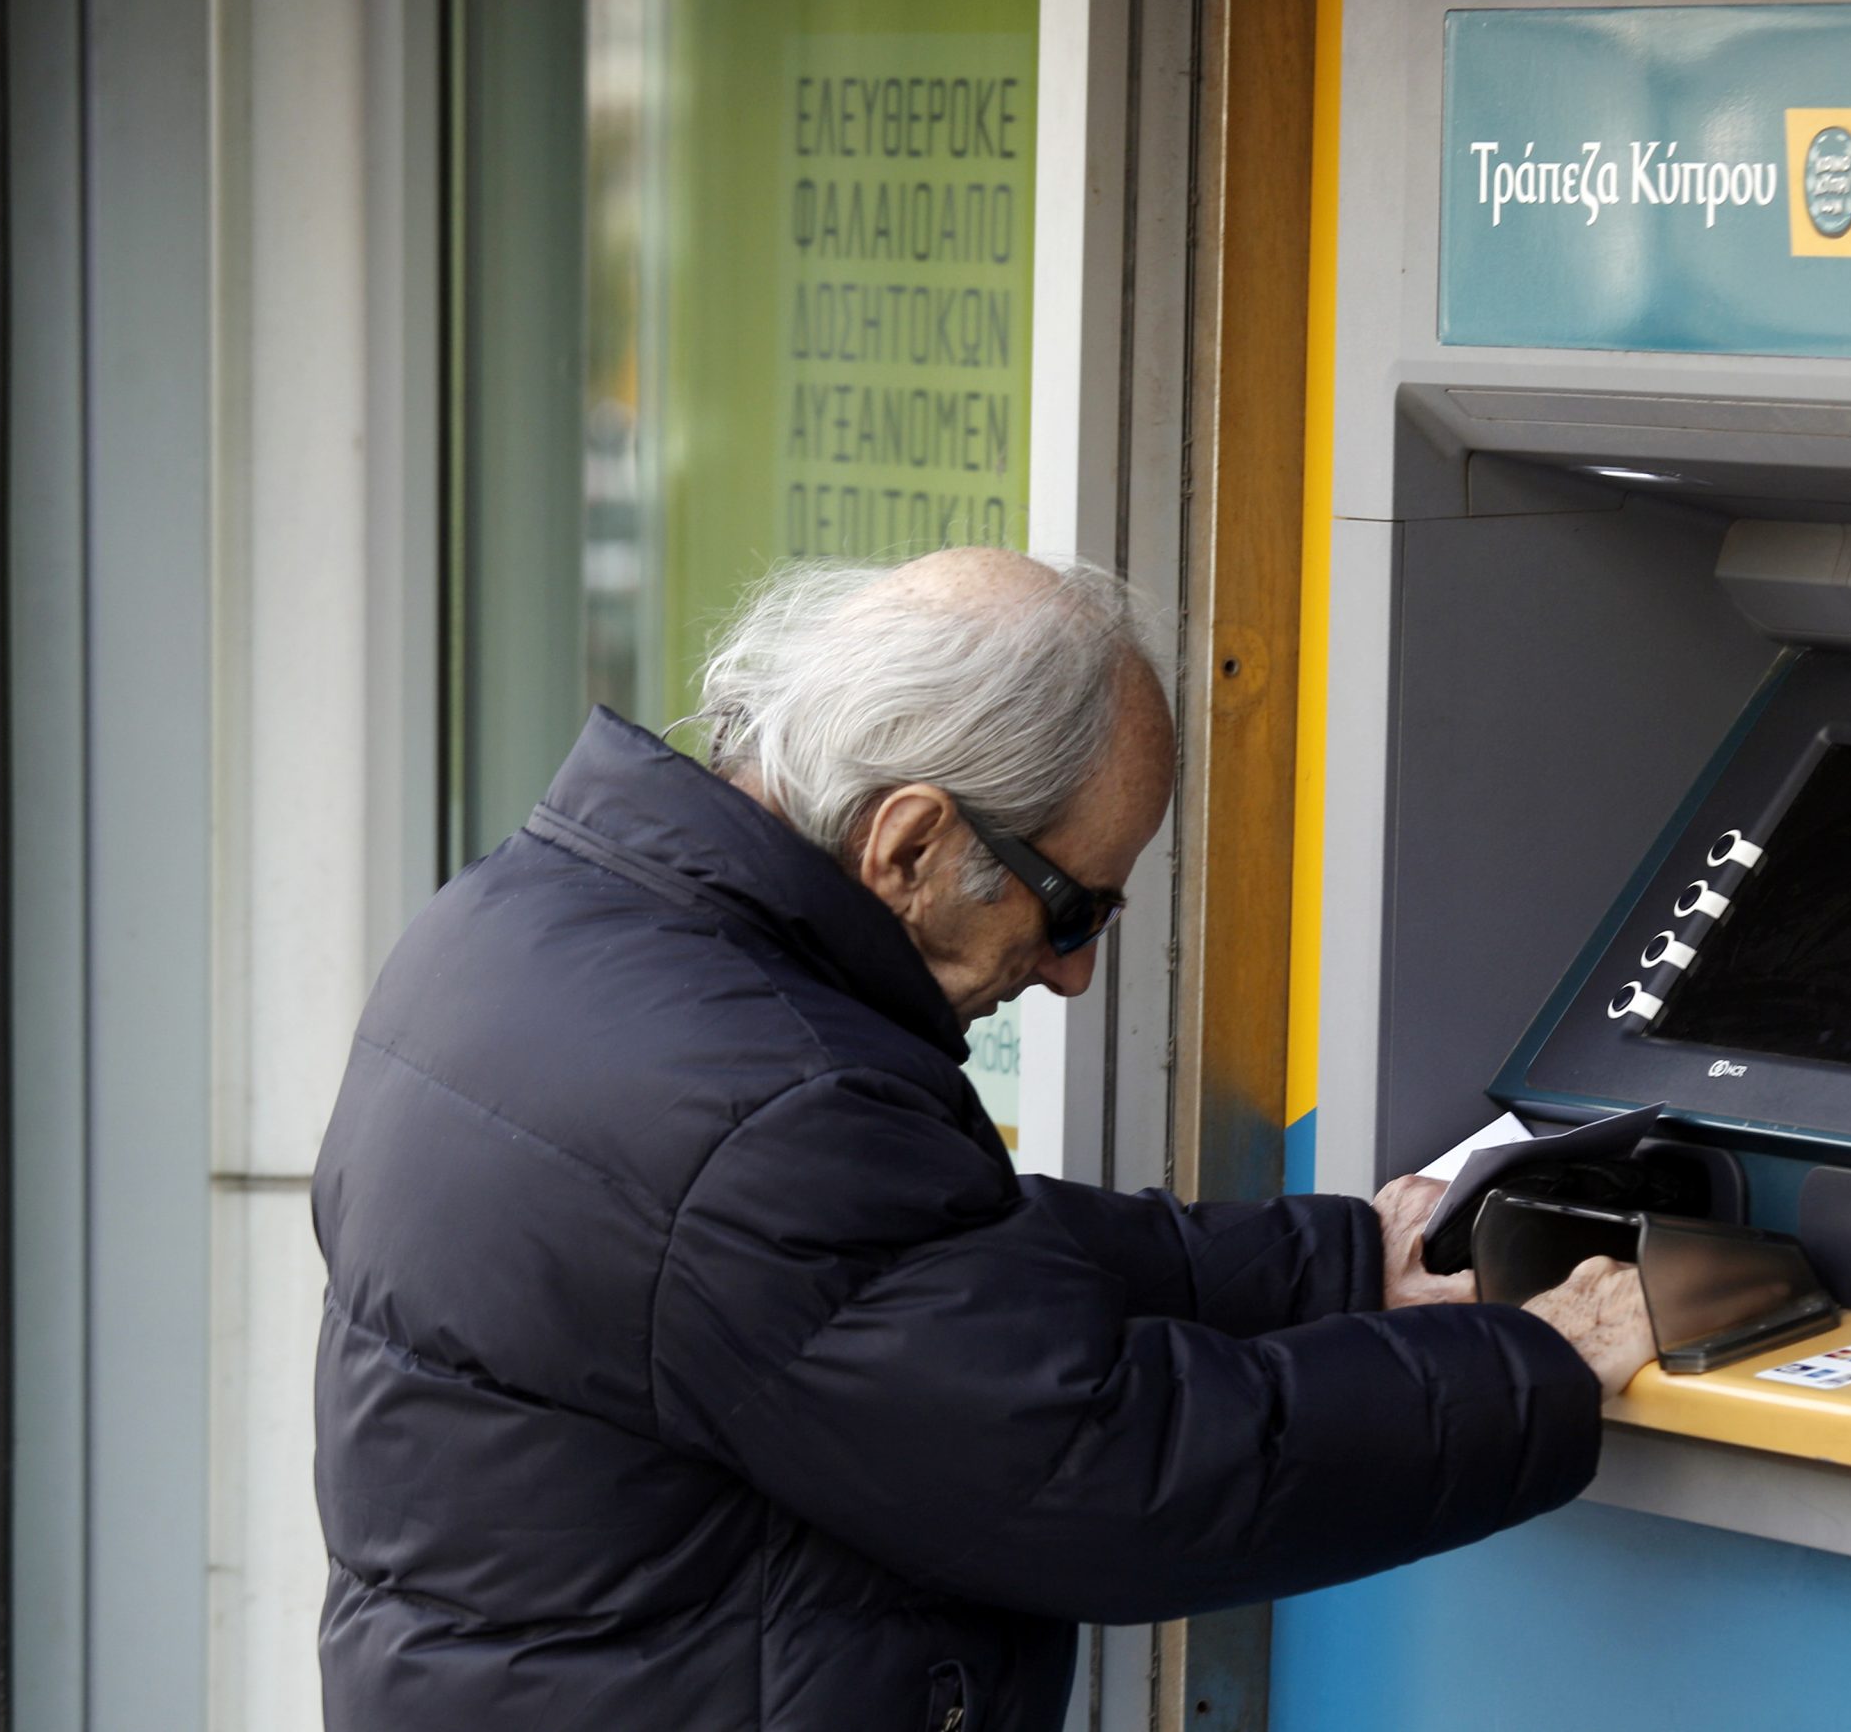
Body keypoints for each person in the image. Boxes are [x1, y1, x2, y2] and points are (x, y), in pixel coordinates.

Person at [309, 549, 1652, 1731]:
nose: (1069, 977)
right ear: (907, 842)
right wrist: (1539, 1368)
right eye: (1075, 912)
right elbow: (1107, 1472)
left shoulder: (531, 933)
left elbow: (918, 1266)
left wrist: (1339, 1261)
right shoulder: (770, 1110)